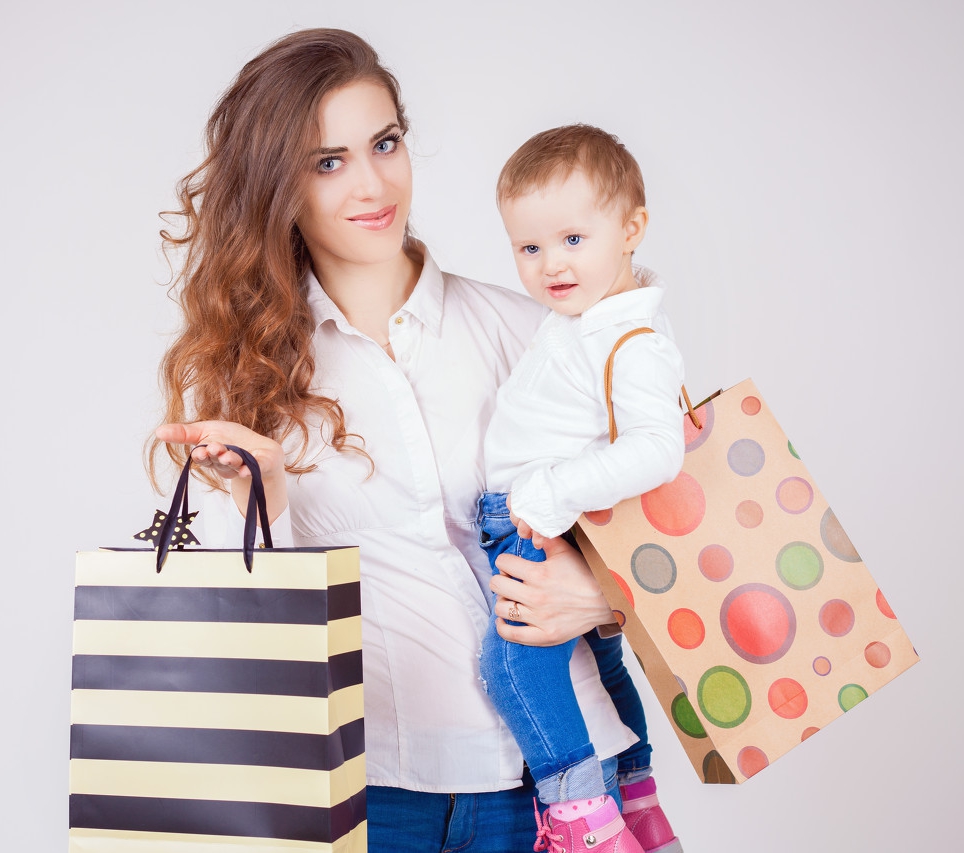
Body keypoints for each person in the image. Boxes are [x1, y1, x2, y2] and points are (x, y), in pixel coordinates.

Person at [152, 29, 635, 853]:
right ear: (278, 185)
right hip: (373, 792)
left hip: (563, 778)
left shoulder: (537, 331)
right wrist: (260, 505)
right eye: (327, 161)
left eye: (385, 143)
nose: (374, 184)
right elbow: (253, 633)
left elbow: (674, 531)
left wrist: (602, 596)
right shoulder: (250, 380)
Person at [477, 125, 686, 853]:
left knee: (510, 661)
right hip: (547, 516)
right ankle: (638, 799)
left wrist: (550, 493)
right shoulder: (585, 319)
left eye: (572, 239)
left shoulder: (631, 340)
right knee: (596, 664)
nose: (549, 265)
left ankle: (584, 822)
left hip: (542, 519)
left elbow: (659, 449)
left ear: (631, 229)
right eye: (528, 248)